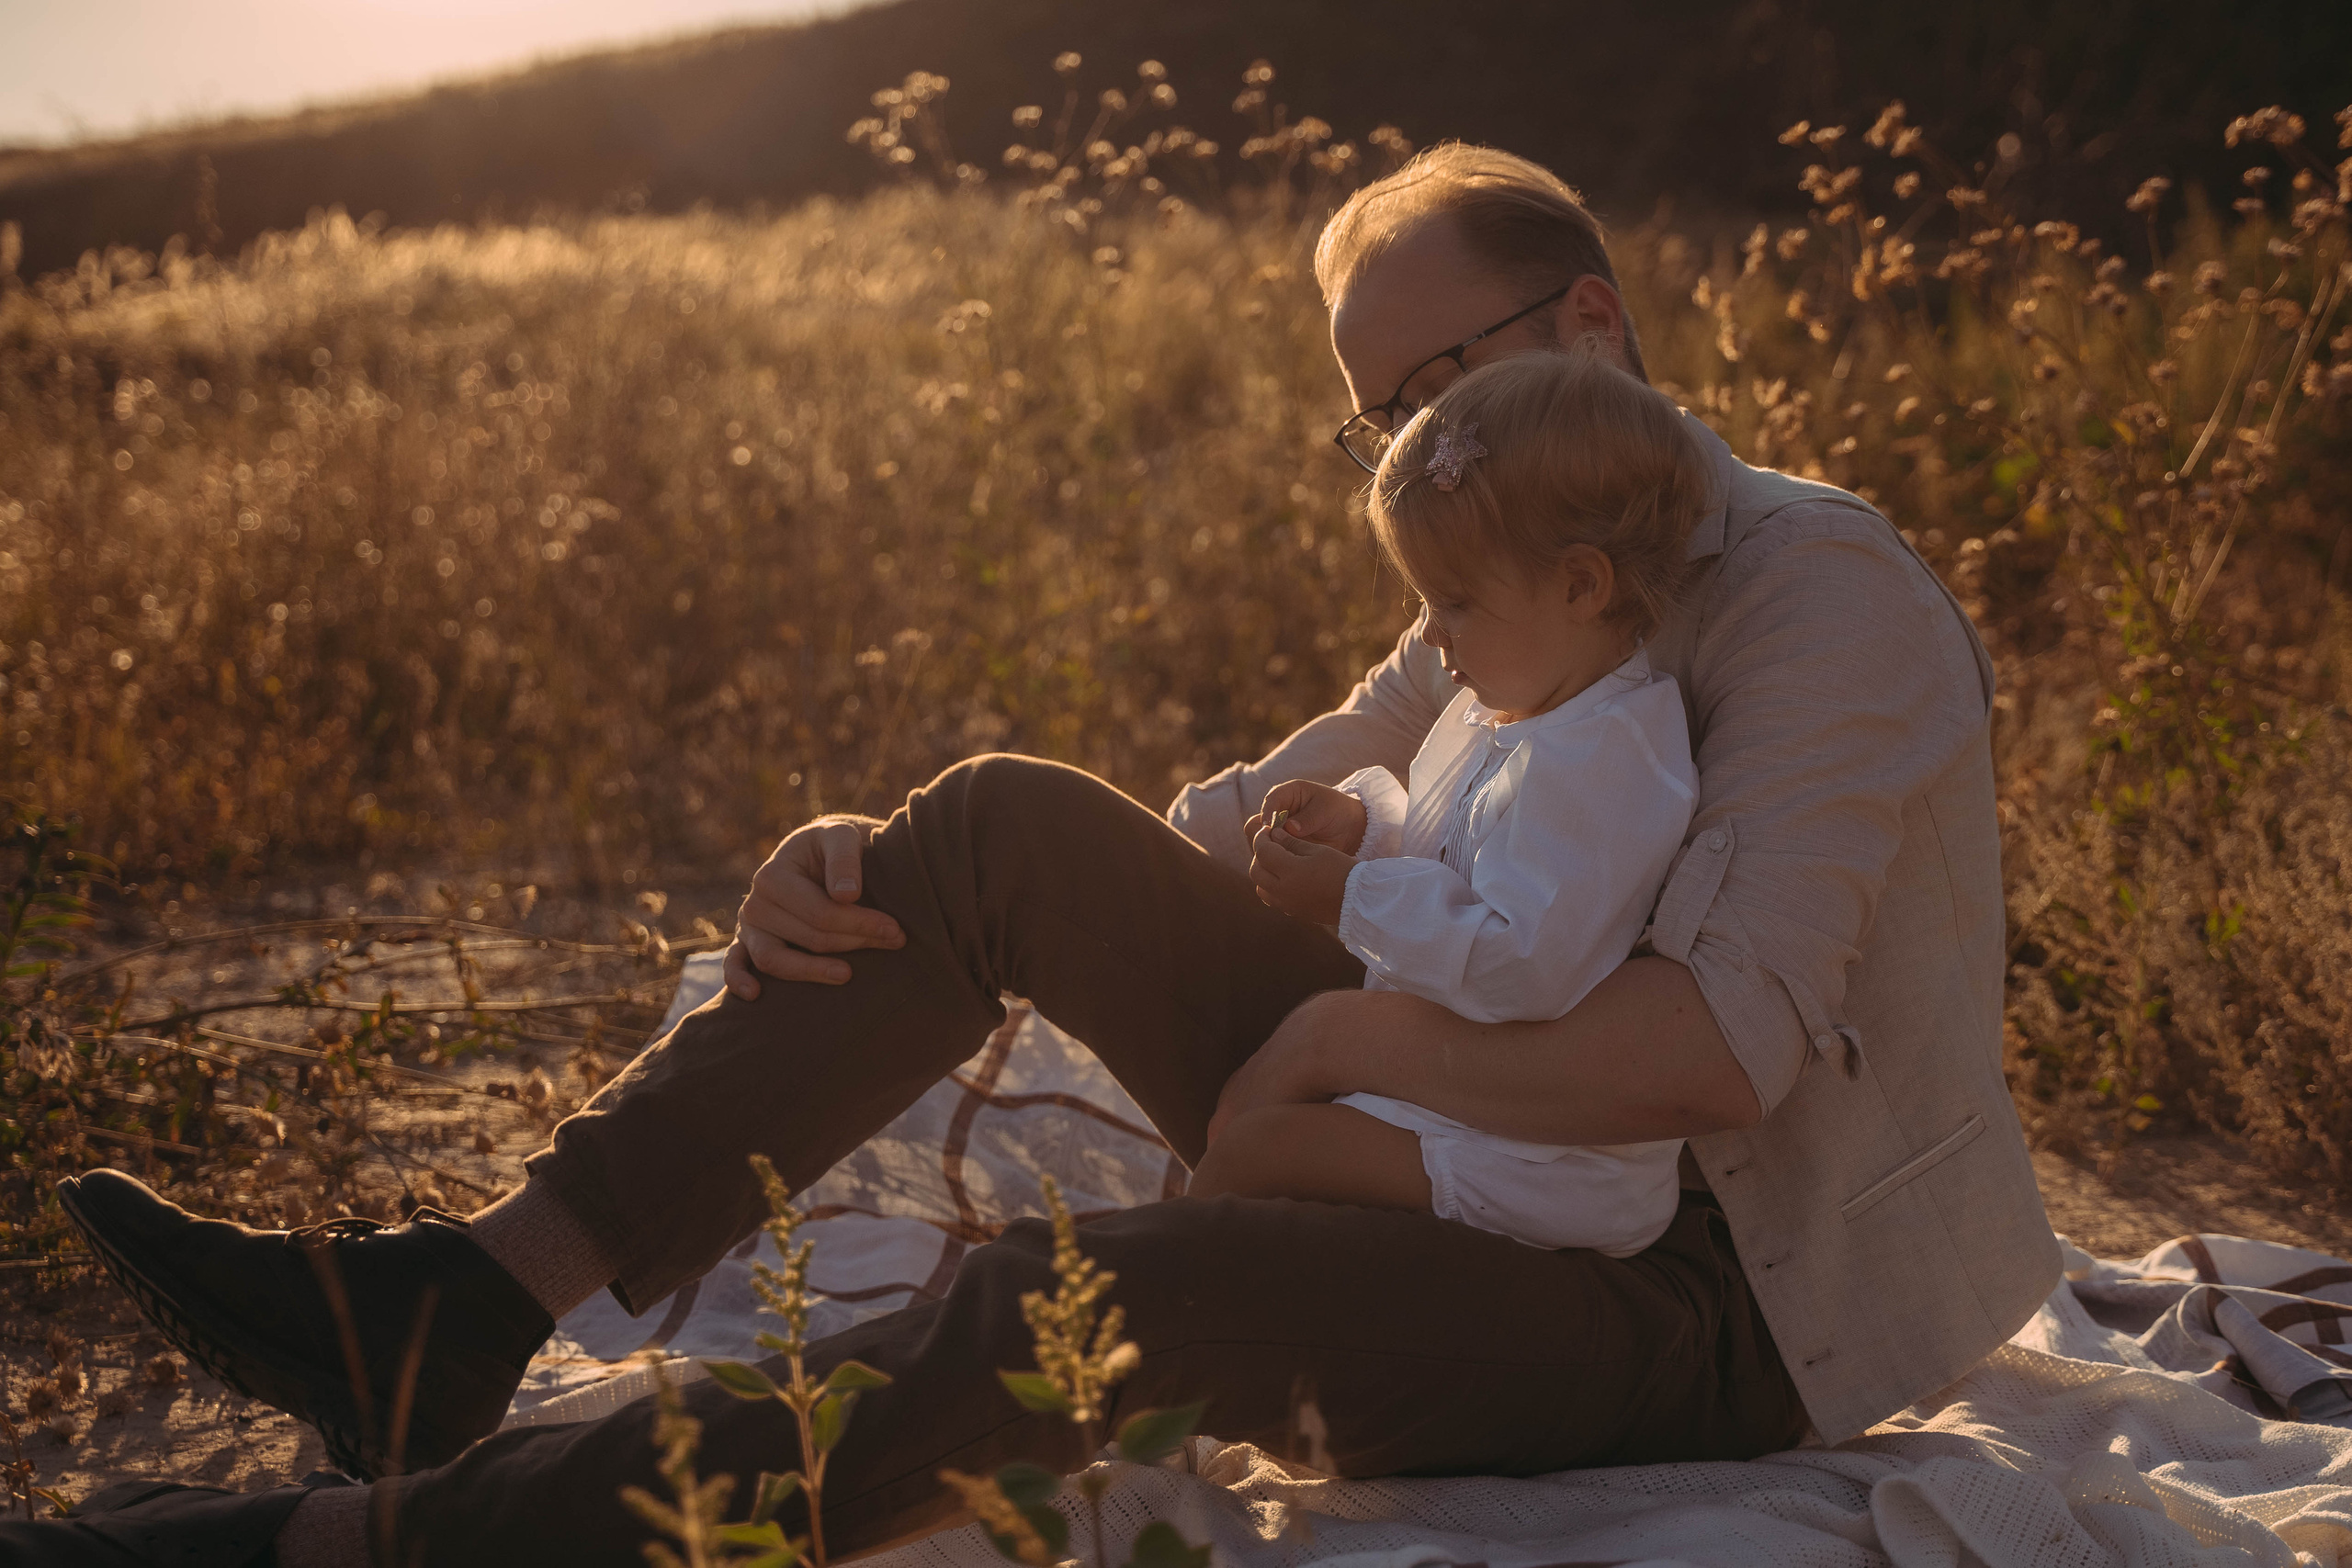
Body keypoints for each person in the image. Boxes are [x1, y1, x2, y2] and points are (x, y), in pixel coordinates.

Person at [13, 143, 2058, 1568]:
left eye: (1447, 378)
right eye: (1383, 420)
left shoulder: (1814, 598)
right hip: (1462, 1134)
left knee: (1073, 1300)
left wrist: (1313, 1062)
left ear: (1594, 320)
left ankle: (352, 1544)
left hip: (1704, 1295)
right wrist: (882, 862)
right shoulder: (1513, 539)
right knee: (994, 818)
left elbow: (1709, 1056)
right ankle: (457, 1309)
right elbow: (1241, 814)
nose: (1422, 444)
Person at [1190, 347, 1708, 1262]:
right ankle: (1206, 1286)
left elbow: (1524, 965)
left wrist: (1349, 902)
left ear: (1580, 586)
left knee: (1262, 1147)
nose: (1429, 633)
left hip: (1545, 1154)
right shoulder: (1504, 700)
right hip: (1451, 1087)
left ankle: (1175, 1308)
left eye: (1455, 602)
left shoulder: (1614, 761)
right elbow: (1451, 855)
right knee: (1244, 1122)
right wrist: (1361, 833)